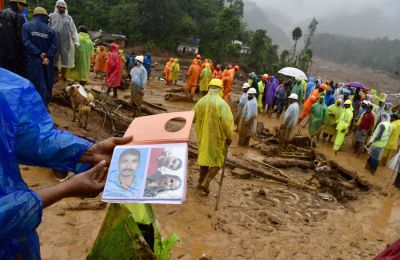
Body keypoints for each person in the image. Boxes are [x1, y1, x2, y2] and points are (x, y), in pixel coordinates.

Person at [0, 67, 132, 259]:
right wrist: (64, 189)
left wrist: (88, 152)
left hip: (18, 244)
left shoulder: (8, 86)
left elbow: (31, 136)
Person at [193, 79, 234, 194]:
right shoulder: (222, 104)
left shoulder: (200, 102)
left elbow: (193, 118)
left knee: (204, 159)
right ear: (220, 89)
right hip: (217, 139)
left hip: (203, 137)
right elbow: (227, 123)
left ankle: (200, 181)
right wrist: (229, 137)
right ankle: (207, 181)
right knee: (218, 161)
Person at [21, 7, 57, 106]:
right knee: (46, 83)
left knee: (32, 83)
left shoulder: (26, 26)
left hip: (32, 60)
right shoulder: (51, 30)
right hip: (47, 62)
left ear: (34, 15)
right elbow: (54, 46)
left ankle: (31, 106)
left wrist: (38, 53)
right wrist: (47, 57)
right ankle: (44, 106)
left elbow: (26, 42)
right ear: (46, 17)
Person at [49, 0, 79, 82]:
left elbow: (73, 30)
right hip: (54, 40)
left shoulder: (68, 18)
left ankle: (63, 76)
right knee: (54, 58)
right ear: (57, 7)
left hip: (65, 42)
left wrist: (76, 41)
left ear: (65, 8)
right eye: (60, 7)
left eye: (63, 7)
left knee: (65, 59)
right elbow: (47, 27)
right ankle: (55, 76)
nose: (62, 9)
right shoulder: (51, 16)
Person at [0, 0, 27, 76]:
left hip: (2, 54)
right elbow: (21, 38)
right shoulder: (19, 17)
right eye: (23, 5)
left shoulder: (1, 13)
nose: (24, 8)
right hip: (15, 55)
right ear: (17, 4)